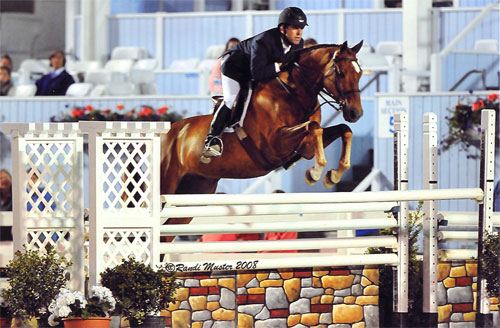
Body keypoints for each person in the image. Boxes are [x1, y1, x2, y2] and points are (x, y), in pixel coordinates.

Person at [201, 7, 308, 159]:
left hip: (256, 69)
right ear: (283, 29)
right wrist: (278, 66)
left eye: (302, 28)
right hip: (234, 66)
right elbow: (257, 73)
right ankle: (212, 139)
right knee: (231, 98)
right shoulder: (263, 41)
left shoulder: (298, 44)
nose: (299, 33)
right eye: (295, 28)